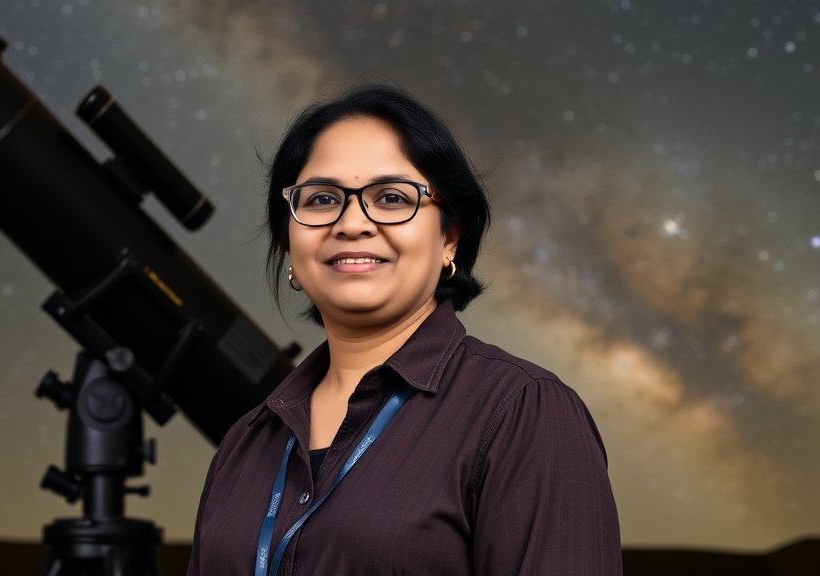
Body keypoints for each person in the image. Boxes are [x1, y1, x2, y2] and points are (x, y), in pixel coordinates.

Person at [188, 84, 622, 575]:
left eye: (392, 197)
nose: (352, 223)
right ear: (290, 246)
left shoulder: (524, 413)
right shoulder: (246, 441)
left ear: (449, 241)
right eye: (322, 198)